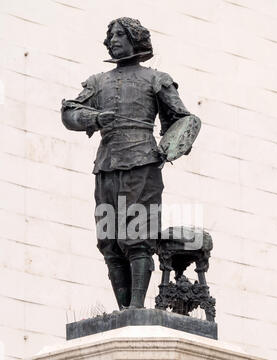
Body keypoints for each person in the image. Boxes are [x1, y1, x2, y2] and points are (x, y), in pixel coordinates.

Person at [61, 17, 191, 310]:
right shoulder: (98, 82)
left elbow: (183, 119)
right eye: (111, 35)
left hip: (142, 164)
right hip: (106, 165)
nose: (113, 39)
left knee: (137, 236)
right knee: (108, 240)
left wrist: (168, 149)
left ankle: (136, 307)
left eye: (120, 34)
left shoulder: (157, 78)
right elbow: (70, 113)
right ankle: (123, 310)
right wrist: (93, 118)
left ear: (135, 39)